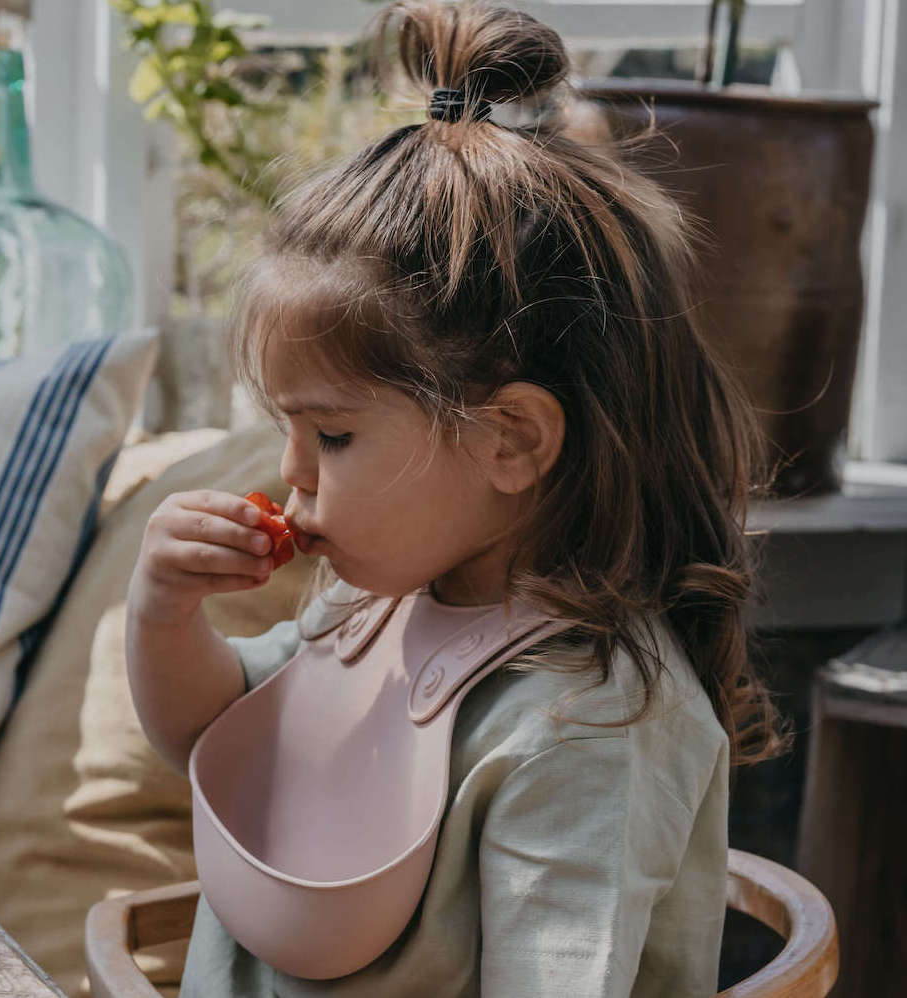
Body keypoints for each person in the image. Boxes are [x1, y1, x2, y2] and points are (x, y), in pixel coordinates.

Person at [125, 2, 789, 995]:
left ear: (509, 439)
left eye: (333, 434)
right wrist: (163, 610)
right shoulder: (373, 606)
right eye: (289, 431)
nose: (291, 474)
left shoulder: (587, 726)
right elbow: (212, 741)